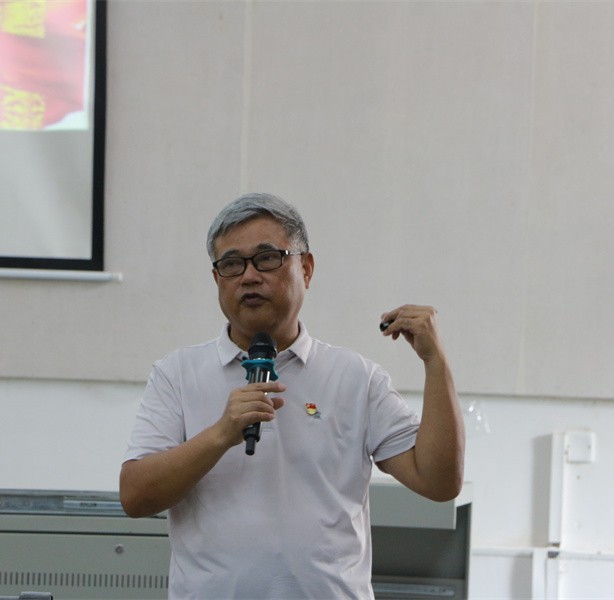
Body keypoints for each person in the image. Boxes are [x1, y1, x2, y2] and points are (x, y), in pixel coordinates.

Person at [120, 193, 464, 599]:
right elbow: (135, 496)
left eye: (267, 258)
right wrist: (220, 435)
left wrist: (435, 362)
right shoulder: (177, 374)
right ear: (217, 280)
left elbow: (439, 482)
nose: (249, 276)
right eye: (232, 264)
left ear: (306, 268)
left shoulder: (356, 378)